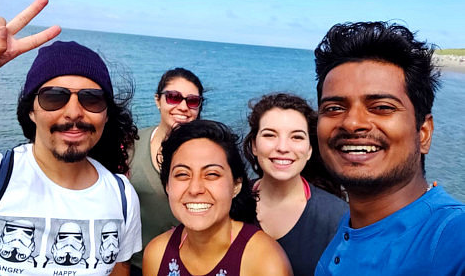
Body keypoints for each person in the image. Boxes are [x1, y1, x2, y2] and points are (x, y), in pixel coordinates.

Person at [0, 0, 141, 275]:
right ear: (31, 110)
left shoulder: (121, 196)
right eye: (54, 97)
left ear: (106, 113)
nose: (73, 112)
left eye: (91, 99)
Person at [313, 21, 465, 275]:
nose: (352, 123)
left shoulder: (451, 237)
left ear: (424, 132)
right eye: (334, 108)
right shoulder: (349, 228)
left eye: (382, 107)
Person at [142, 120, 293, 276]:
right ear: (167, 185)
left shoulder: (263, 262)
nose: (195, 189)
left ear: (236, 185)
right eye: (182, 174)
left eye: (212, 174)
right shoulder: (157, 255)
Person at [242, 93, 347, 276]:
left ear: (309, 150)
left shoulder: (338, 217)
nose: (283, 147)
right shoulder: (230, 203)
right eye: (270, 135)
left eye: (296, 137)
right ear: (254, 145)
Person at [128, 68, 204, 274]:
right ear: (157, 100)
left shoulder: (208, 154)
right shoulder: (131, 145)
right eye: (173, 97)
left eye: (192, 101)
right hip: (134, 264)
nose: (182, 107)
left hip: (188, 267)